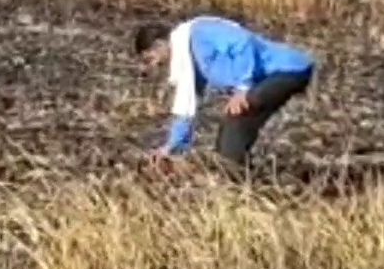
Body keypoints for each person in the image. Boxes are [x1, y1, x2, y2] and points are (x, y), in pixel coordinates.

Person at [134, 15, 316, 168]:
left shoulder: (199, 33)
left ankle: (236, 177)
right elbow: (186, 106)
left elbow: (243, 42)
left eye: (150, 58)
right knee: (230, 129)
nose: (154, 65)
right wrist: (171, 147)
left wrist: (243, 87)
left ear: (159, 45)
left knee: (240, 113)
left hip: (288, 69)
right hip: (269, 78)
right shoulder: (188, 62)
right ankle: (235, 173)